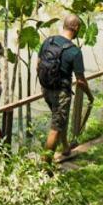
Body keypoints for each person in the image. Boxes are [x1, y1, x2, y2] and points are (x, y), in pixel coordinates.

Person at [36, 13, 94, 162]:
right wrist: (89, 95)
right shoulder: (74, 51)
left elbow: (38, 64)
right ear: (75, 28)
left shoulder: (48, 41)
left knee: (58, 119)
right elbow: (80, 81)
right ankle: (45, 164)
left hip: (45, 88)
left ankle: (66, 147)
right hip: (61, 92)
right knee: (56, 127)